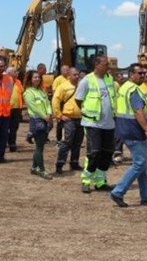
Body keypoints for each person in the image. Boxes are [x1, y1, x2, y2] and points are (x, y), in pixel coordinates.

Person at [109, 63, 147, 207]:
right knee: (139, 164)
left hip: (127, 130)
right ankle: (118, 192)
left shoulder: (126, 87)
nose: (143, 76)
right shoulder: (134, 90)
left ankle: (146, 195)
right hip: (135, 131)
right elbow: (139, 111)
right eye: (140, 73)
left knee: (142, 164)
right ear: (131, 74)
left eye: (145, 73)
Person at [76, 55, 117, 193]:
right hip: (93, 123)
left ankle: (100, 181)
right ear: (97, 65)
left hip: (109, 123)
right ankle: (86, 180)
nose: (108, 66)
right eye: (106, 64)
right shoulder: (87, 80)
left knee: (107, 153)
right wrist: (88, 112)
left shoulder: (109, 79)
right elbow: (78, 100)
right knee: (94, 152)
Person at [23, 70, 54, 180]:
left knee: (40, 146)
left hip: (45, 119)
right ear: (30, 79)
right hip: (37, 121)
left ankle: (34, 167)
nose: (37, 79)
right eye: (35, 77)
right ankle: (41, 170)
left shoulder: (41, 91)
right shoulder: (28, 93)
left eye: (38, 77)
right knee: (39, 147)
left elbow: (47, 103)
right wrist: (44, 116)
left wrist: (49, 113)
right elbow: (33, 107)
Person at [53, 67, 84, 174]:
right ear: (69, 75)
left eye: (78, 74)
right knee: (66, 142)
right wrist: (59, 115)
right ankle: (60, 164)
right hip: (68, 119)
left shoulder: (81, 86)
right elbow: (55, 101)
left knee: (77, 142)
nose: (77, 76)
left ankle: (74, 162)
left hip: (80, 119)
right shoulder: (63, 87)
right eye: (74, 75)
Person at [51, 65, 71, 143]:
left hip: (68, 103)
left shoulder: (70, 79)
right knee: (60, 122)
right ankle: (58, 139)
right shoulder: (58, 80)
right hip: (61, 103)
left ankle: (68, 139)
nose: (67, 71)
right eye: (65, 70)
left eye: (68, 70)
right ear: (61, 71)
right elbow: (54, 92)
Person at [6, 67, 23, 153]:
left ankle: (12, 144)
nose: (16, 73)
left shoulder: (18, 82)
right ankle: (4, 143)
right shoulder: (5, 81)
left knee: (14, 127)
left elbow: (21, 93)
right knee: (5, 127)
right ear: (9, 73)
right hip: (7, 108)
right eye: (14, 72)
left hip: (17, 108)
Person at [112, 70, 127, 164]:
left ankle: (118, 152)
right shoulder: (116, 85)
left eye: (122, 76)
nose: (122, 78)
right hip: (117, 114)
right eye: (119, 76)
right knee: (118, 135)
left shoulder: (120, 85)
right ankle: (117, 153)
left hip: (119, 113)